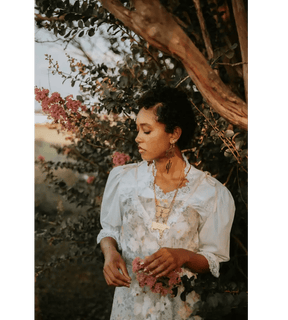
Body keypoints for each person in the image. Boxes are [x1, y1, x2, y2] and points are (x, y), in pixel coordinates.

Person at [97, 86, 235, 320]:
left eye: (147, 130)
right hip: (129, 307)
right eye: (137, 129)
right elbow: (109, 230)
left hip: (180, 311)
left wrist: (184, 256)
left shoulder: (211, 193)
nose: (137, 137)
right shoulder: (124, 179)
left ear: (174, 134)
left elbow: (213, 260)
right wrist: (109, 253)